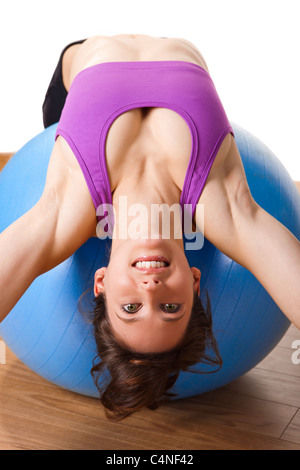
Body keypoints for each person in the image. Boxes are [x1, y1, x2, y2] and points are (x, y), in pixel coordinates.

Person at [0, 34, 300, 420]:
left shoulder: (69, 211)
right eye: (170, 308)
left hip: (84, 56)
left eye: (131, 308)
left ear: (101, 282)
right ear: (195, 282)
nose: (151, 290)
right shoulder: (222, 207)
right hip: (162, 55)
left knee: (52, 123)